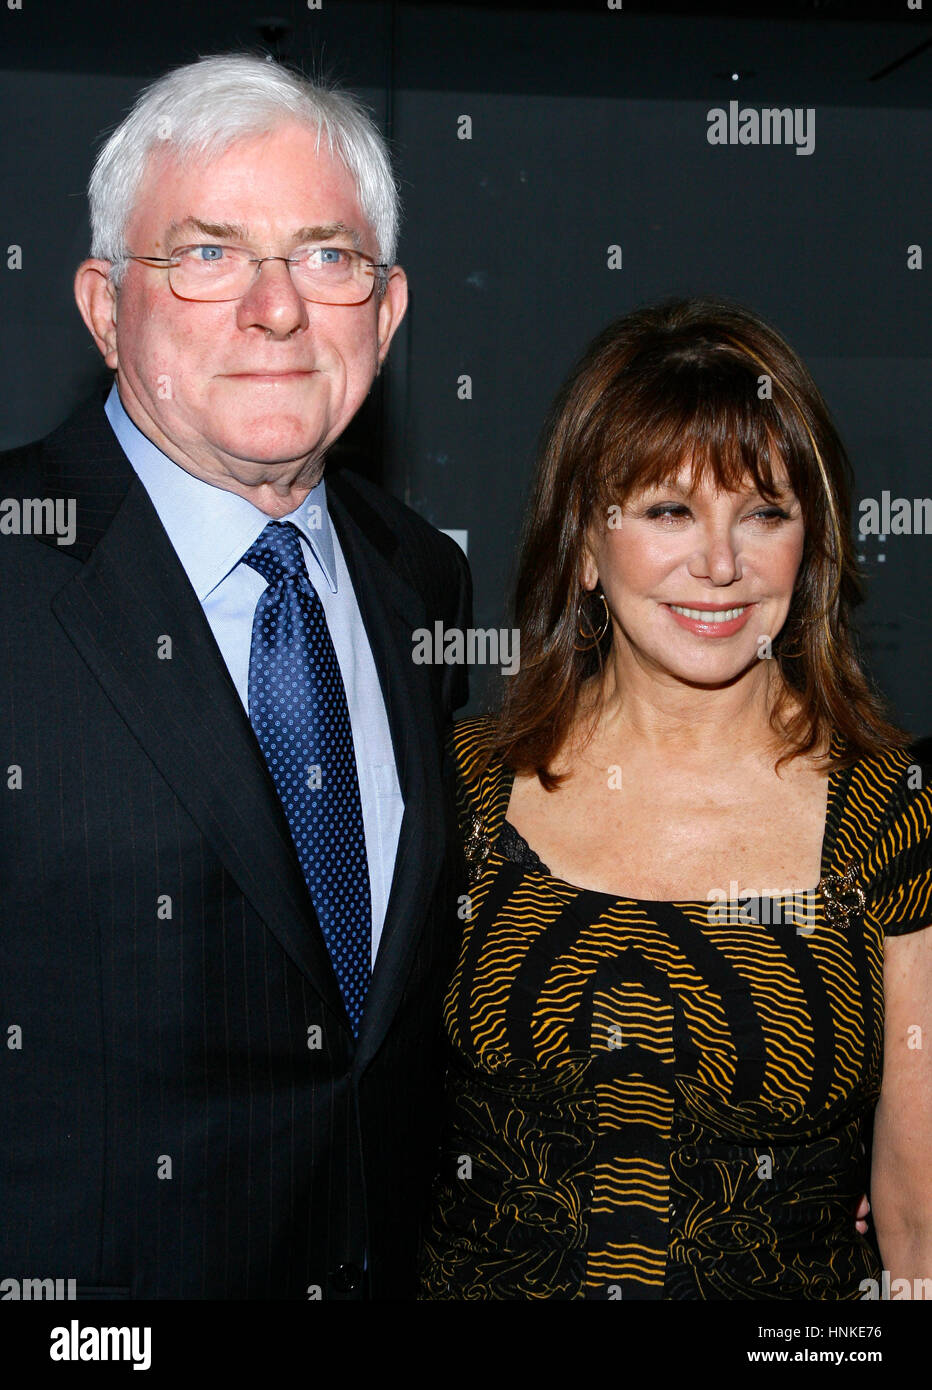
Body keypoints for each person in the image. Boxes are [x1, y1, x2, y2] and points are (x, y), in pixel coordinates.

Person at [0, 53, 471, 1300]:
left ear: (388, 306)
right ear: (106, 308)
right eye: (207, 255)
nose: (278, 310)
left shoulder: (419, 579)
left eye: (327, 257)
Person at [419, 297, 932, 1300]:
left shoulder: (891, 810)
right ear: (582, 541)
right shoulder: (458, 787)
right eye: (667, 510)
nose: (719, 563)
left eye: (762, 513)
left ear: (810, 545)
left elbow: (915, 1215)